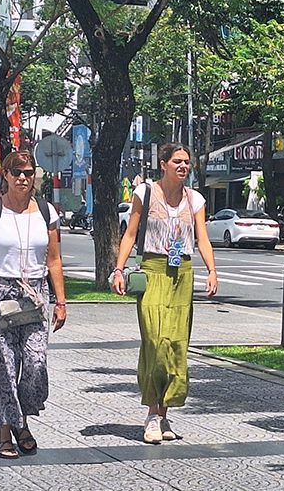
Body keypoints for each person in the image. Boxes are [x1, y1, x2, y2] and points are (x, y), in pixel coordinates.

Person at [113, 142, 218, 444]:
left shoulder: (195, 198)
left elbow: (202, 240)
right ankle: (151, 413)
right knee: (155, 342)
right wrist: (119, 271)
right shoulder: (144, 193)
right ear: (163, 164)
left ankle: (163, 412)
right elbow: (130, 235)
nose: (183, 166)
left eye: (186, 162)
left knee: (175, 345)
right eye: (177, 161)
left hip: (182, 273)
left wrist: (212, 271)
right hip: (152, 270)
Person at [0, 150, 67, 459]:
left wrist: (61, 300)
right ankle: (8, 432)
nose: (22, 178)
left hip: (35, 295)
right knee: (3, 367)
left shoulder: (47, 211)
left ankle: (22, 419)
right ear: (6, 176)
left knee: (35, 364)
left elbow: (53, 259)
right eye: (16, 173)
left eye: (28, 172)